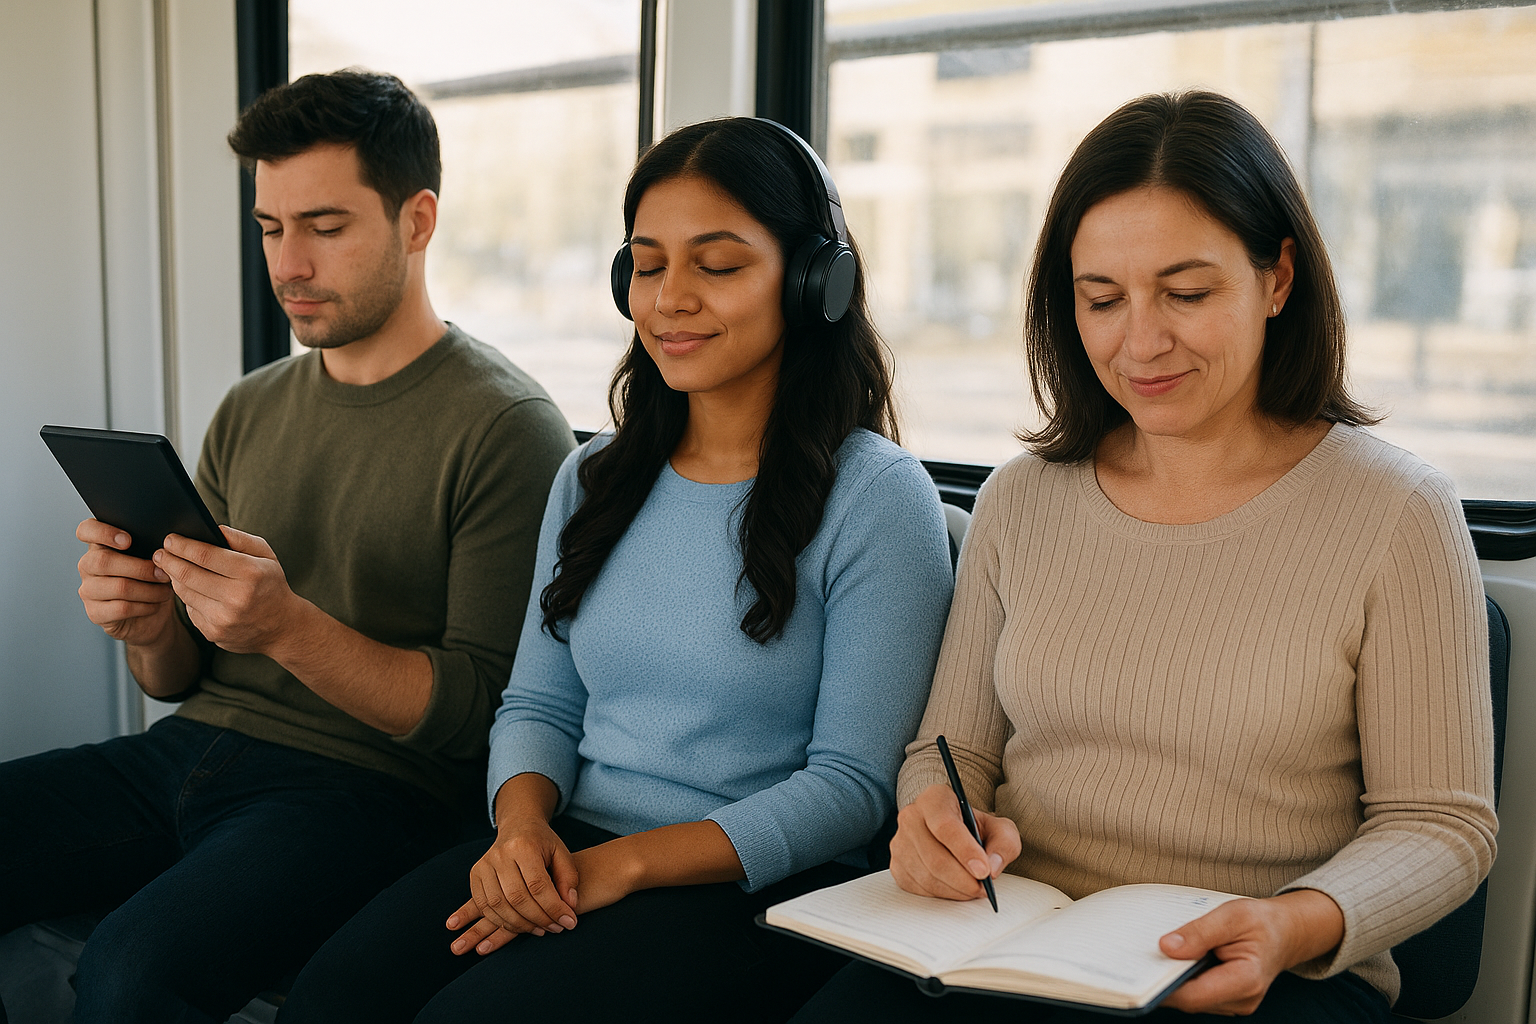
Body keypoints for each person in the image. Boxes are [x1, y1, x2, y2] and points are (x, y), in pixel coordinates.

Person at [791, 91, 1497, 1023]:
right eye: (1103, 299)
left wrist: (1298, 922)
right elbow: (950, 749)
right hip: (1006, 942)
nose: (1142, 342)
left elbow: (1442, 822)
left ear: (1277, 279)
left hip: (1253, 972)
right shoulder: (1020, 498)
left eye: (1188, 293)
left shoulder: (1397, 511)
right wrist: (932, 817)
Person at [276, 116, 956, 1023]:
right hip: (567, 840)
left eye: (717, 265)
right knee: (332, 998)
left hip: (758, 881)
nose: (670, 298)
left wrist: (623, 866)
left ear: (812, 284)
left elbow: (851, 789)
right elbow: (539, 705)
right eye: (646, 264)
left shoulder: (877, 497)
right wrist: (519, 830)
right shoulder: (594, 476)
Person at [0, 70, 574, 1023]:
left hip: (363, 791)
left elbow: (484, 716)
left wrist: (288, 627)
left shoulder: (507, 428)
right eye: (271, 228)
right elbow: (177, 679)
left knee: (132, 969)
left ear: (417, 220)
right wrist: (146, 622)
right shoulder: (251, 404)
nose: (288, 264)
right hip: (187, 751)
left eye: (325, 226)